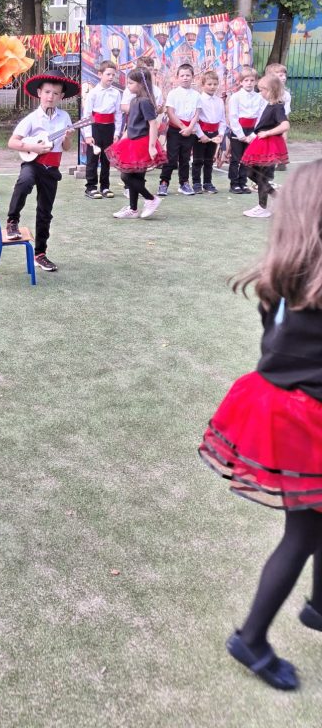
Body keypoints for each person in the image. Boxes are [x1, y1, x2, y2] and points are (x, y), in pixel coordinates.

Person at [199, 160, 322, 691]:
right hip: (307, 415)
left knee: (316, 516)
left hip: (282, 405)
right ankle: (251, 639)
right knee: (303, 532)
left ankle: (319, 606)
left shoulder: (282, 278)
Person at [5, 69, 80, 272]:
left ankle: (40, 254)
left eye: (55, 93)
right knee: (24, 182)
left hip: (52, 167)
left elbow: (66, 148)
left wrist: (68, 137)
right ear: (39, 93)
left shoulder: (65, 117)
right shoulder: (32, 118)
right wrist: (33, 147)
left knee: (45, 211)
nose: (50, 97)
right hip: (33, 162)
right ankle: (12, 220)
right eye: (47, 92)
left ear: (61, 96)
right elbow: (12, 142)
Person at [106, 67, 166, 219]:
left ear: (141, 84)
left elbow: (153, 124)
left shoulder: (145, 102)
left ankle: (151, 199)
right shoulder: (134, 101)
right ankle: (133, 209)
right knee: (134, 177)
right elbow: (131, 124)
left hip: (142, 143)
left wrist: (151, 146)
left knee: (126, 177)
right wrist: (122, 139)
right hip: (131, 141)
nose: (128, 86)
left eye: (131, 83)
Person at [240, 74, 290, 219]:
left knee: (262, 177)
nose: (260, 92)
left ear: (271, 90)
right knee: (251, 173)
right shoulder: (270, 105)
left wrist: (267, 133)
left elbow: (285, 125)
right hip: (261, 144)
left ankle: (262, 207)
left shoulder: (278, 107)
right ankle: (277, 197)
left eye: (262, 90)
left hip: (269, 146)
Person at [157, 63, 200, 196]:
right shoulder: (173, 93)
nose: (185, 78)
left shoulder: (196, 95)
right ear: (177, 77)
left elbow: (197, 113)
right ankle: (164, 182)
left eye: (188, 75)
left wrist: (190, 128)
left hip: (190, 131)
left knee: (185, 158)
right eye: (182, 75)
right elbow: (170, 112)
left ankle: (184, 183)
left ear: (192, 77)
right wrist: (183, 127)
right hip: (175, 130)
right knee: (171, 158)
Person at [83, 61, 123, 199]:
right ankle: (91, 187)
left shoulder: (116, 93)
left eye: (113, 75)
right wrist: (88, 135)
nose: (111, 77)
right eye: (108, 74)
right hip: (95, 127)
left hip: (109, 128)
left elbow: (118, 114)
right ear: (100, 74)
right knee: (93, 158)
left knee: (107, 159)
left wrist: (116, 133)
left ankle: (105, 186)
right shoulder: (93, 93)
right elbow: (87, 115)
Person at [228, 67, 263, 194]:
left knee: (247, 159)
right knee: (236, 159)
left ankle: (243, 183)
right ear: (241, 82)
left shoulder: (260, 97)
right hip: (239, 130)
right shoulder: (235, 97)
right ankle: (234, 184)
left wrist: (253, 135)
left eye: (252, 80)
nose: (249, 83)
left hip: (252, 131)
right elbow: (233, 117)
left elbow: (260, 117)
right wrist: (241, 135)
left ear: (256, 82)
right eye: (246, 80)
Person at [192, 71, 227, 194]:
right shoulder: (199, 99)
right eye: (209, 84)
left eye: (215, 84)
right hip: (201, 134)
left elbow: (222, 119)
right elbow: (195, 119)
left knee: (209, 160)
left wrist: (220, 134)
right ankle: (196, 183)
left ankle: (207, 183)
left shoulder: (219, 101)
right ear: (203, 85)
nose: (212, 87)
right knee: (198, 160)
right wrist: (201, 135)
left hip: (215, 134)